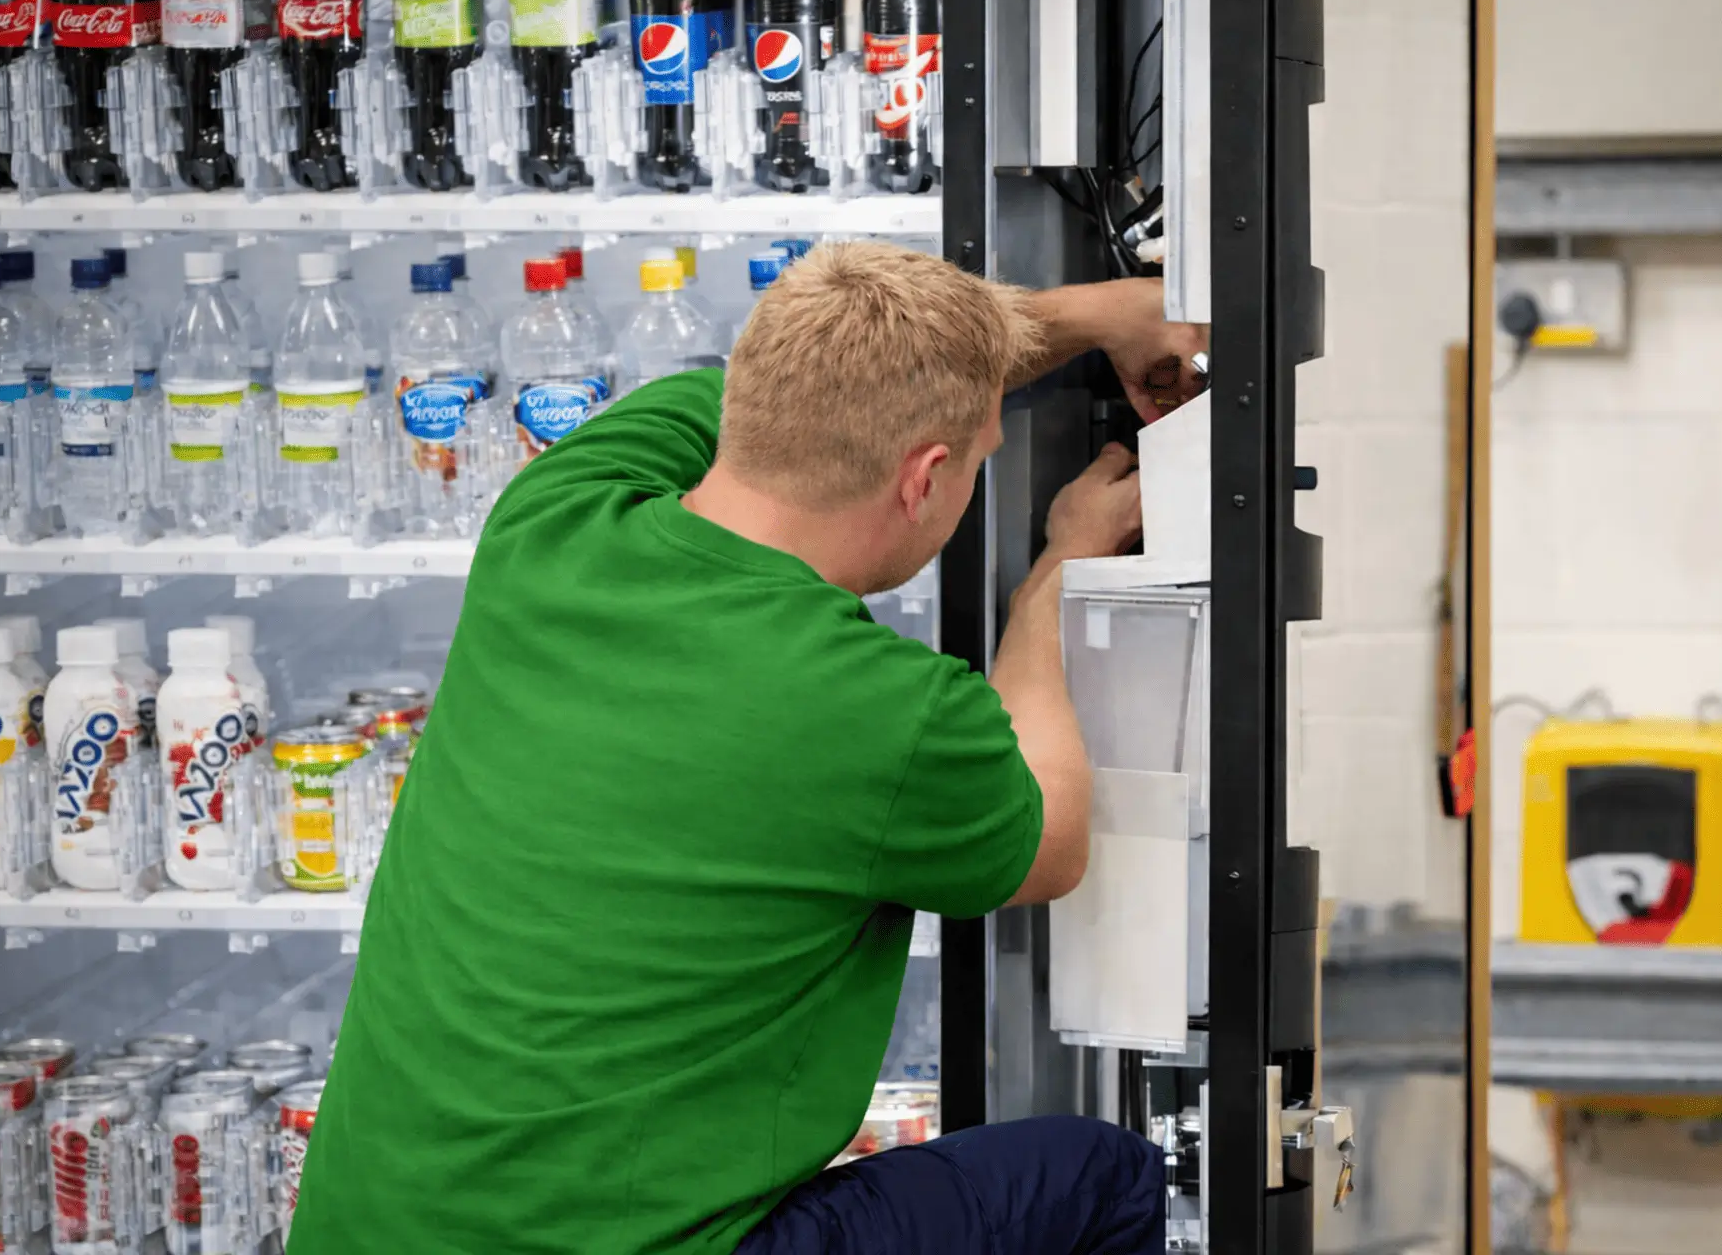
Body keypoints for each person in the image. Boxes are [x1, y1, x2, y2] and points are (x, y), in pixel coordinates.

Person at [288, 242, 1209, 1254]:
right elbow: (1055, 837)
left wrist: (1104, 311)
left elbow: (779, 384)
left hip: (356, 1227)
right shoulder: (881, 710)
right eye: (980, 454)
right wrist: (1058, 575)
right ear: (926, 478)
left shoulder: (555, 514)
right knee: (1105, 1178)